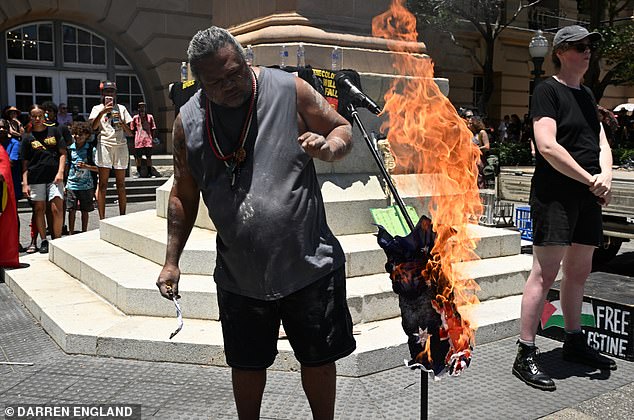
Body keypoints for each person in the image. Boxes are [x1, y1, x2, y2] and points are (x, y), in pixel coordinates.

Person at [155, 27, 355, 420]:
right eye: (216, 82)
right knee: (246, 364)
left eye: (235, 73)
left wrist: (331, 148)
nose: (230, 85)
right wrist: (171, 260)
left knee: (318, 359)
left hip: (309, 264)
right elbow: (183, 192)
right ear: (199, 81)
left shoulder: (289, 89)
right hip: (240, 275)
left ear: (245, 60)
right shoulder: (188, 123)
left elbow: (341, 127)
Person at [513, 25, 616, 392]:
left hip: (587, 196)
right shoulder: (547, 90)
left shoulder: (586, 94)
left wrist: (605, 174)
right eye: (579, 46)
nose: (587, 51)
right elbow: (547, 146)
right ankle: (525, 352)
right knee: (544, 273)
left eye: (590, 45)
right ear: (560, 52)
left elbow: (601, 141)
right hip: (556, 194)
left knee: (579, 272)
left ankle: (573, 339)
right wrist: (591, 180)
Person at [21, 105, 67, 254]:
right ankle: (43, 240)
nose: (37, 118)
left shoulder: (54, 131)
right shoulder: (27, 137)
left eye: (40, 115)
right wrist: (25, 183)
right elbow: (25, 163)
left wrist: (60, 172)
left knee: (56, 208)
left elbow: (62, 153)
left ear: (44, 116)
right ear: (30, 117)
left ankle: (58, 239)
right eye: (34, 116)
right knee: (39, 209)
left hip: (54, 177)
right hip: (35, 177)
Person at [89, 80, 133, 219]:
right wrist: (103, 112)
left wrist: (120, 120)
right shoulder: (97, 108)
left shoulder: (121, 108)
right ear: (102, 94)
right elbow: (94, 127)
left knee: (121, 183)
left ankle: (122, 216)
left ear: (115, 93)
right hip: (105, 144)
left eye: (112, 91)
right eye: (107, 91)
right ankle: (102, 218)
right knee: (103, 183)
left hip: (120, 145)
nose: (110, 94)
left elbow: (130, 132)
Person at [65, 122, 96, 233]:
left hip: (87, 185)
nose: (78, 137)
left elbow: (98, 168)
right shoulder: (69, 149)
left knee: (85, 210)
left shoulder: (91, 149)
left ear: (87, 135)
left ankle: (84, 231)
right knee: (71, 210)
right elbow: (66, 167)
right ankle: (71, 232)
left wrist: (86, 166)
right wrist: (65, 184)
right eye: (76, 134)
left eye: (81, 135)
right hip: (71, 184)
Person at [1, 119, 23, 259]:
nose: (1, 130)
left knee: (12, 215)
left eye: (3, 127)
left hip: (10, 186)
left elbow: (11, 162)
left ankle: (15, 242)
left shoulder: (15, 143)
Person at [130, 102, 157, 177]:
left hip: (148, 140)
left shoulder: (150, 117)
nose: (142, 109)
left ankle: (149, 172)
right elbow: (132, 129)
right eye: (140, 107)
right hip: (139, 141)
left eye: (143, 107)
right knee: (138, 158)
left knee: (148, 157)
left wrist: (153, 139)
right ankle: (138, 172)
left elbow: (153, 128)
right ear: (138, 108)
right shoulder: (135, 118)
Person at [467, 116, 490, 189]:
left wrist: (476, 148)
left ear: (475, 124)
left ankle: (481, 196)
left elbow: (487, 147)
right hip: (470, 159)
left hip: (479, 160)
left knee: (479, 179)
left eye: (470, 124)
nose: (468, 125)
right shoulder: (470, 134)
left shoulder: (482, 133)